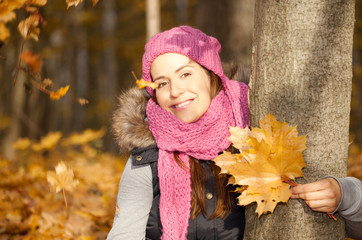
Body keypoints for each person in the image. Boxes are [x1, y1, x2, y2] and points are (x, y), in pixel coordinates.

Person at [107, 25, 362, 240]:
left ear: (211, 74)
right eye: (162, 83)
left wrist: (345, 195)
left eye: (185, 74)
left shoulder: (258, 132)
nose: (175, 91)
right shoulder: (147, 157)